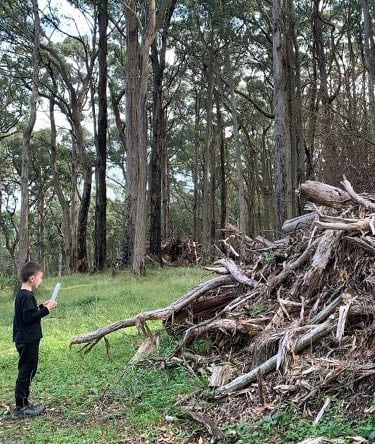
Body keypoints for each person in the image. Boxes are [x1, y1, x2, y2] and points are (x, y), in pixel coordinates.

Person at [12, 261, 58, 418]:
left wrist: (40, 307)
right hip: (28, 339)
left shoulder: (23, 295)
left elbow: (29, 313)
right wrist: (46, 309)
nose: (41, 280)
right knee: (26, 370)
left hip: (26, 338)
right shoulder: (26, 296)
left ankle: (24, 403)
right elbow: (28, 319)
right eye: (40, 277)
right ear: (32, 278)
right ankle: (21, 407)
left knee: (28, 369)